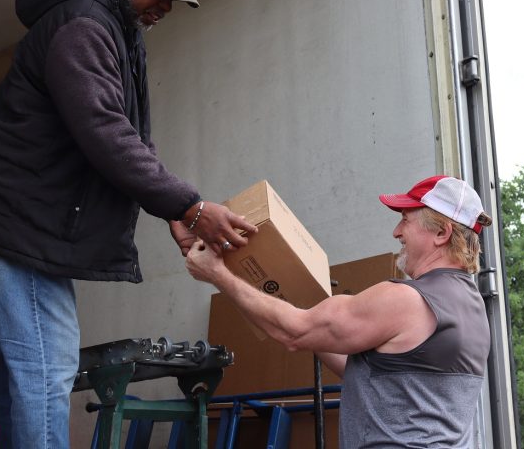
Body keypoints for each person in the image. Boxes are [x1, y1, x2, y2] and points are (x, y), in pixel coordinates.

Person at [0, 0, 257, 449]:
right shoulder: (84, 26)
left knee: (24, 372)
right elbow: (104, 132)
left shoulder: (116, 27)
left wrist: (171, 211)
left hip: (30, 218)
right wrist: (191, 205)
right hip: (17, 217)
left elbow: (127, 137)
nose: (164, 6)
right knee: (47, 367)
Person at [186, 175, 494, 448]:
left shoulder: (407, 300)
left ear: (442, 233)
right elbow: (367, 372)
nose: (396, 231)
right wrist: (303, 314)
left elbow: (294, 331)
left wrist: (218, 274)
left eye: (405, 219)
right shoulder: (473, 310)